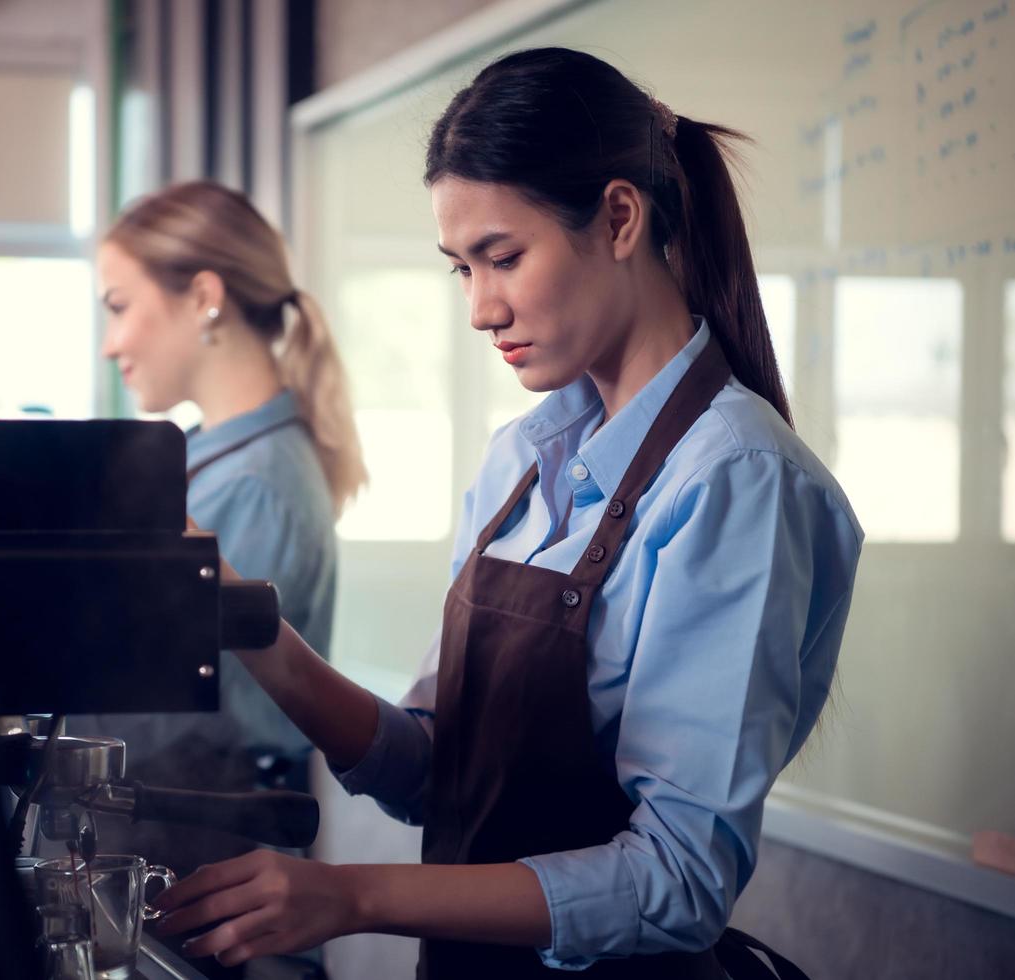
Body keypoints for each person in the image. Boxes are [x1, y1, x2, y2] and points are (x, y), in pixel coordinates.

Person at [147, 48, 863, 979]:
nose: (482, 309)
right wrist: (248, 623)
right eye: (460, 269)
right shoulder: (521, 461)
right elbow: (435, 772)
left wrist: (352, 897)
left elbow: (678, 880)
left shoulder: (734, 480)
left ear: (617, 218)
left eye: (503, 257)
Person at [68, 181, 365, 870]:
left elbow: (170, 716)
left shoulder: (254, 485)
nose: (111, 345)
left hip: (193, 850)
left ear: (204, 296)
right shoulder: (207, 456)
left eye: (119, 308)